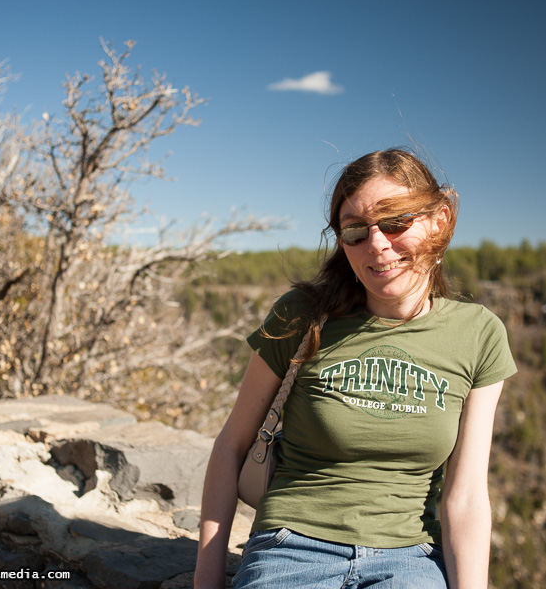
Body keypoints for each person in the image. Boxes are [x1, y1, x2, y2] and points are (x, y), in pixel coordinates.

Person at [194, 148, 517, 589]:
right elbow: (232, 445)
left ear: (439, 220)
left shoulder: (479, 334)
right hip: (291, 546)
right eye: (355, 230)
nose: (378, 244)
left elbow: (465, 496)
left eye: (396, 221)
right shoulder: (302, 316)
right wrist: (207, 579)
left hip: (411, 557)